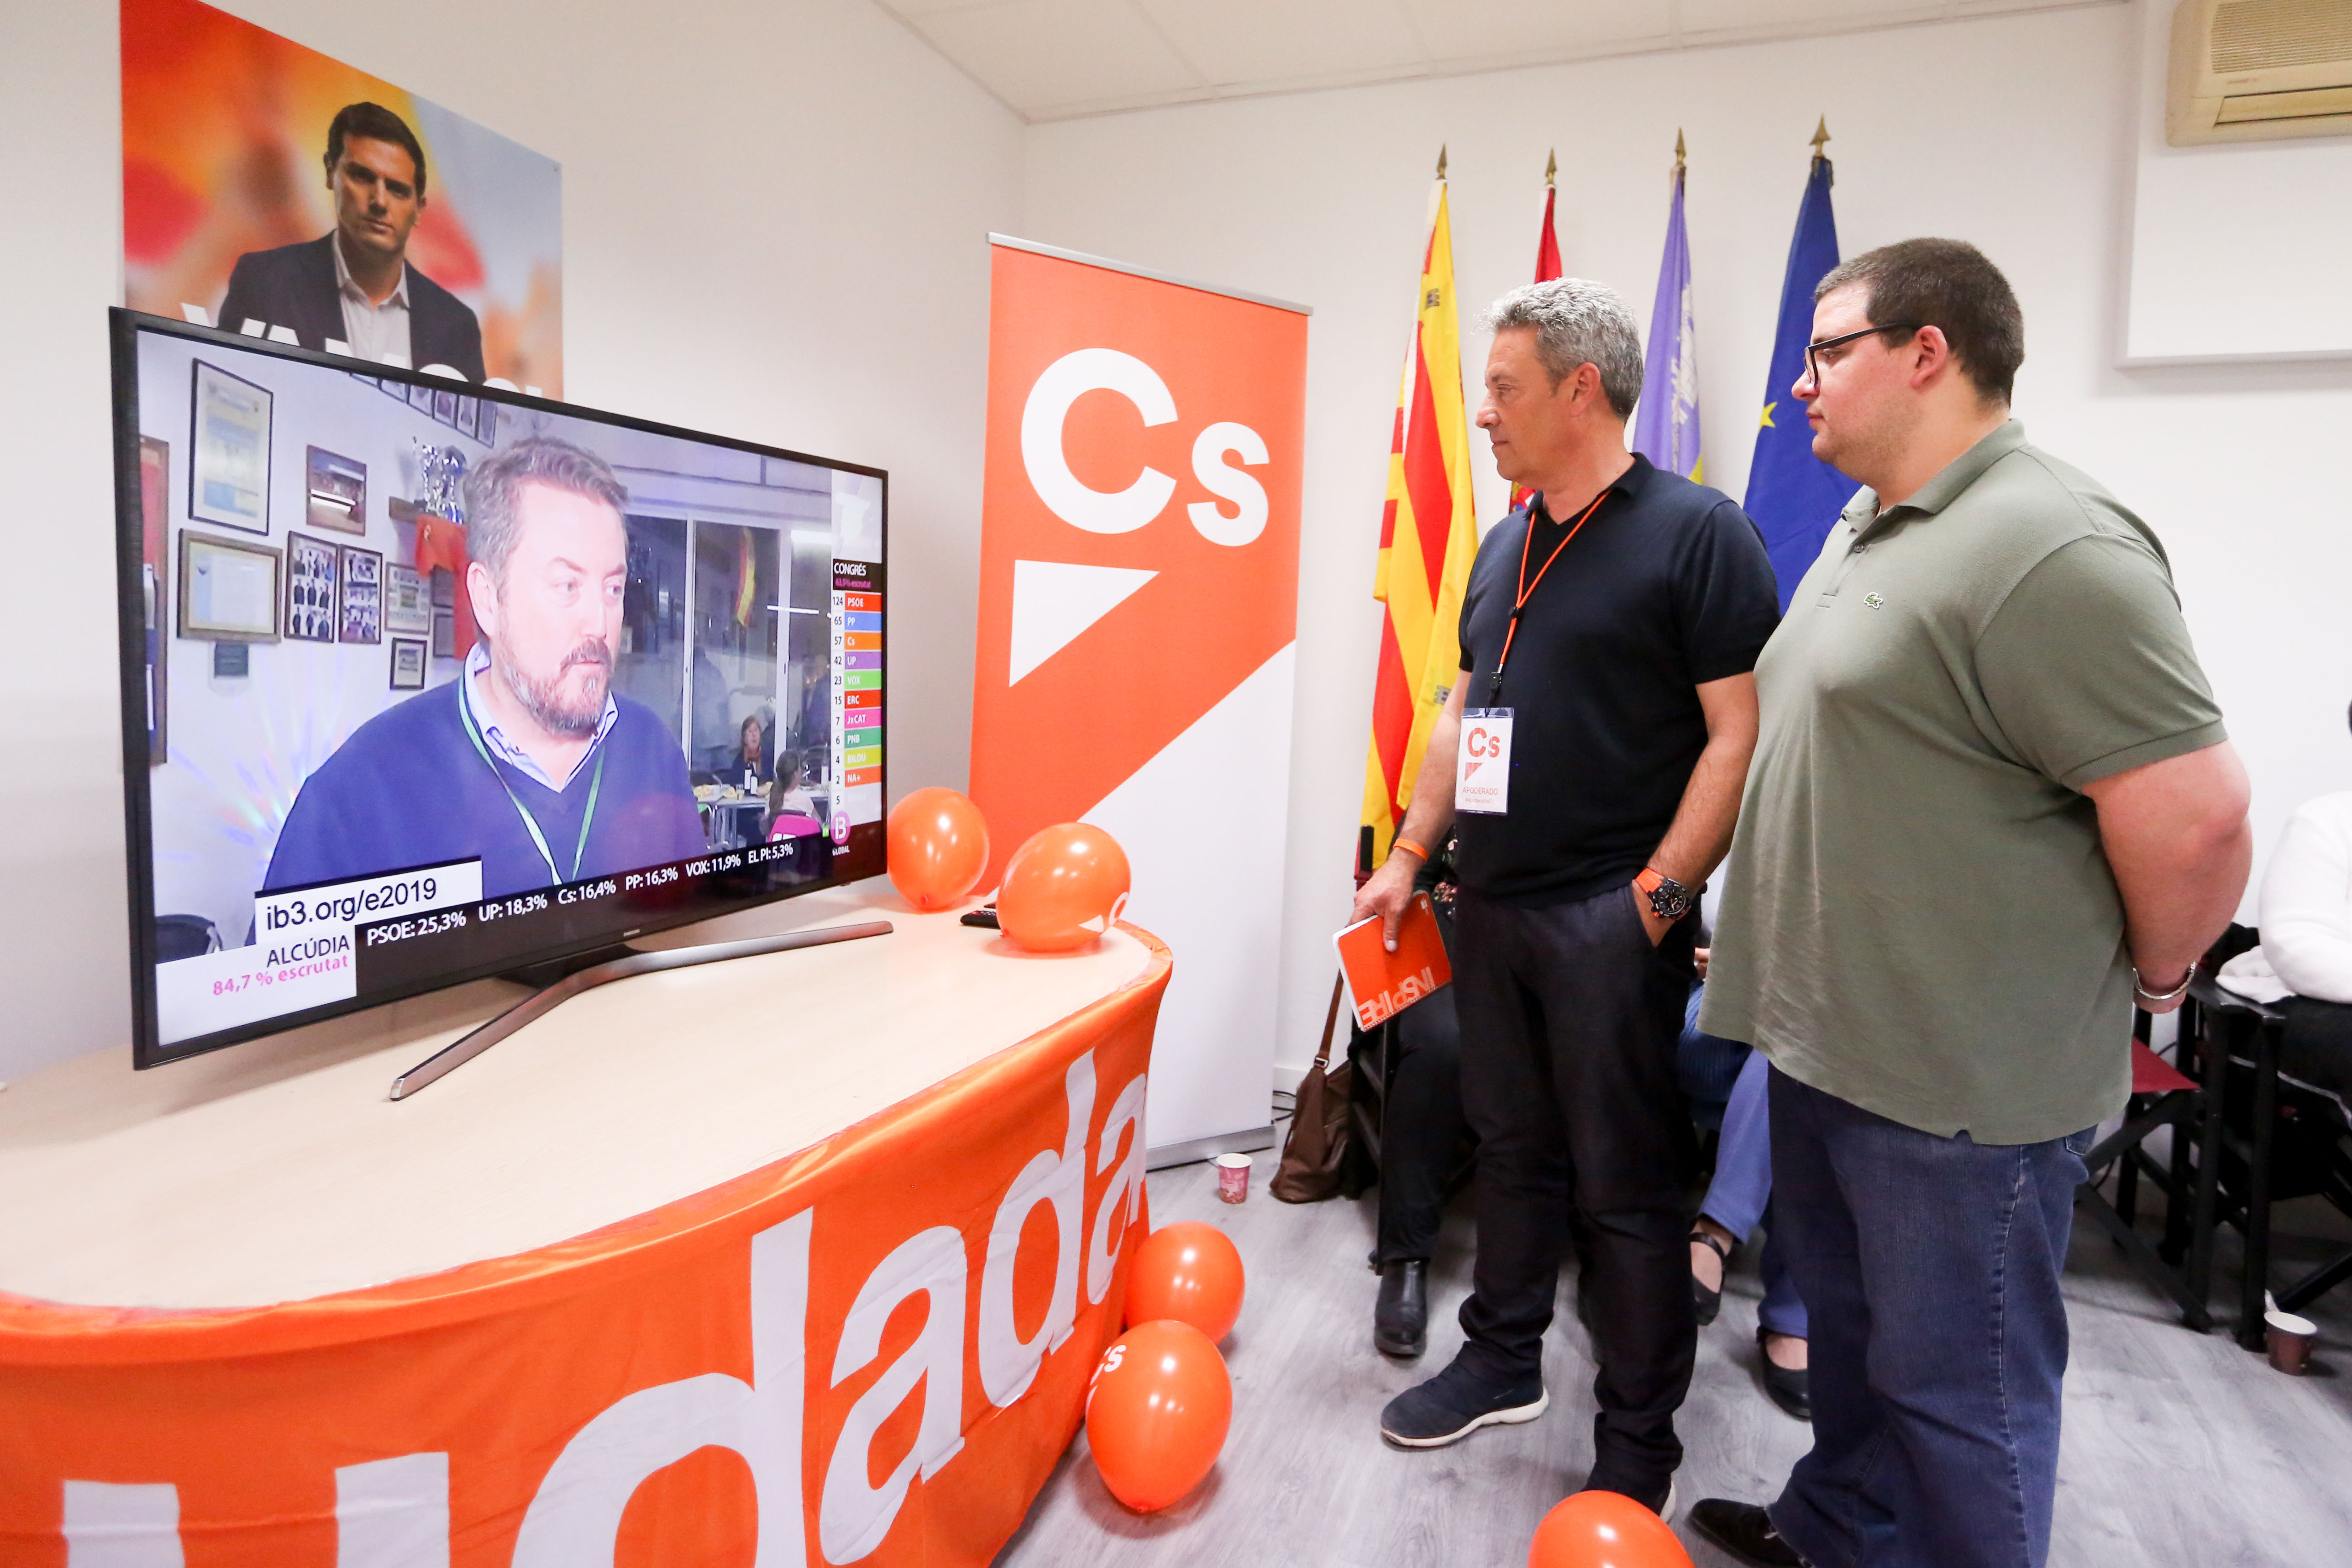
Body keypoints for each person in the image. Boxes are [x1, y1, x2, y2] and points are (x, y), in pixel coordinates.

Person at [1689, 240, 2251, 1568]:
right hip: (1830, 1044)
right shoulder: (1871, 519)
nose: (1800, 382)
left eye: (1828, 351)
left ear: (1927, 353)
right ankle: (1835, 1533)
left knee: (1962, 1404)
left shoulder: (2053, 543)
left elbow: (2200, 816)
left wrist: (2158, 979)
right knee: (1858, 1354)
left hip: (1957, 1089)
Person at [1353, 278, 1780, 1514]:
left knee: (1628, 1190)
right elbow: (1463, 715)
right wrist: (1409, 852)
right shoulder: (1505, 545)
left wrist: (1655, 900)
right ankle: (1501, 1357)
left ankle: (1638, 1441)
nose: (1484, 412)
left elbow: (1739, 734)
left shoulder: (1699, 534)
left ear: (1580, 389)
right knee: (1512, 1151)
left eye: (1504, 388)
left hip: (1610, 920)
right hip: (1490, 907)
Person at [264, 438, 706, 900]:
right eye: (567, 586)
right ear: (488, 599)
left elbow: (697, 931)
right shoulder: (357, 792)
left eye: (613, 589)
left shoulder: (653, 751)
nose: (600, 623)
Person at [217, 102, 486, 380]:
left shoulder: (457, 324)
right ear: (331, 175)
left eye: (397, 189)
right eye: (362, 178)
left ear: (418, 208)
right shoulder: (263, 280)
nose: (380, 202)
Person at [1370, 832, 1477, 1360]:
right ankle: (1405, 1257)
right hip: (1453, 920)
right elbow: (1418, 865)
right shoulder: (1461, 780)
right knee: (1440, 1044)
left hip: (1566, 933)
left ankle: (1602, 1261)